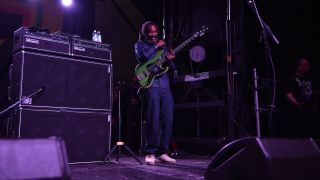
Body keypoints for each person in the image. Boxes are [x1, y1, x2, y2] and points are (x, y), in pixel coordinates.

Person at [134, 21, 176, 165]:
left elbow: (166, 64)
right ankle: (150, 153)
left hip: (164, 83)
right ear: (144, 33)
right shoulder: (140, 45)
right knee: (153, 117)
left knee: (168, 117)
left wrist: (170, 60)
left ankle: (162, 152)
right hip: (151, 85)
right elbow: (145, 57)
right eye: (150, 32)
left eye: (155, 32)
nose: (153, 34)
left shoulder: (162, 46)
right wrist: (155, 46)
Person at [284, 57, 319, 137]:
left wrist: (315, 105)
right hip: (297, 112)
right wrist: (298, 105)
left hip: (310, 111)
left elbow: (316, 91)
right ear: (299, 66)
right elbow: (288, 95)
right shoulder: (291, 78)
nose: (308, 67)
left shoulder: (309, 76)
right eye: (305, 65)